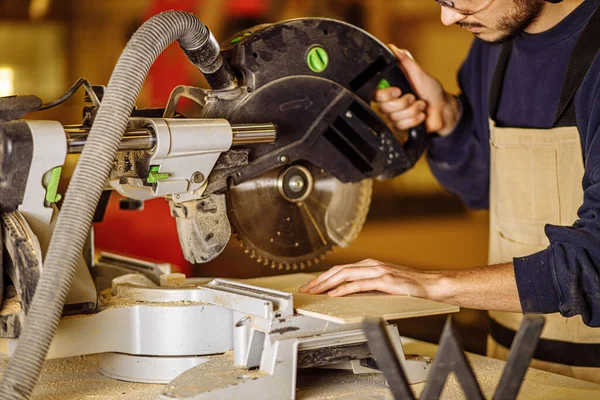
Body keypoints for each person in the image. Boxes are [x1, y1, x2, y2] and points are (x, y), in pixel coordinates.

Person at [300, 0, 600, 383]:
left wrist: (432, 284)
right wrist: (446, 119)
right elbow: (483, 190)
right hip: (513, 356)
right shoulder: (496, 40)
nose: (448, 17)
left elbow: (596, 261)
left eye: (460, 1)